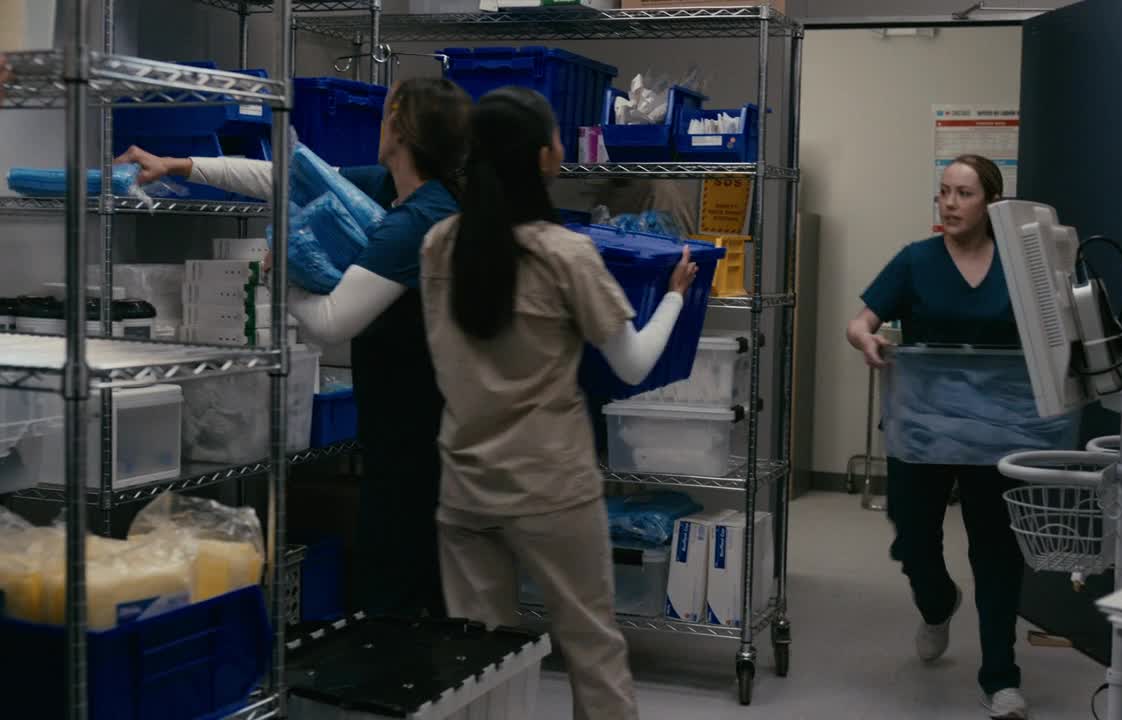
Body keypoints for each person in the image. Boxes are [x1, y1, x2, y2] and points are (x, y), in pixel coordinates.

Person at [116, 77, 472, 619]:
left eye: (386, 113)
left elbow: (331, 324)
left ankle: (401, 653)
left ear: (400, 129)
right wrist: (177, 165)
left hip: (420, 423)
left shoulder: (417, 221)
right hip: (407, 413)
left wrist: (280, 272)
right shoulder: (393, 190)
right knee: (409, 559)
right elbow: (285, 178)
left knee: (400, 571)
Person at [419, 86, 697, 720]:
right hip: (551, 487)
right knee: (592, 649)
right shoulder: (565, 253)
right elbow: (632, 364)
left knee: (480, 665)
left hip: (465, 486)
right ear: (545, 157)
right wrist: (675, 296)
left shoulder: (439, 244)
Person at [845, 154, 1029, 720]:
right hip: (923, 427)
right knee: (912, 536)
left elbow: (1056, 330)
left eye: (963, 193)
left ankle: (1001, 677)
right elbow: (860, 321)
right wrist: (866, 340)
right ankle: (938, 601)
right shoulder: (916, 261)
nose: (950, 203)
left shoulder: (1020, 263)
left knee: (996, 553)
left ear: (991, 202)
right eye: (944, 192)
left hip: (997, 431)